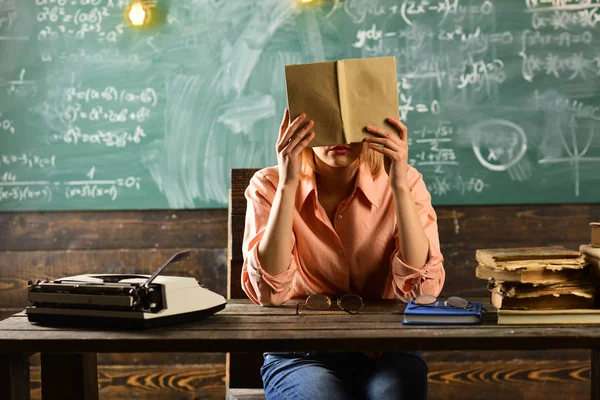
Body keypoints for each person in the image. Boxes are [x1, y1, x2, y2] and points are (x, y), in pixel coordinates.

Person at [241, 108, 445, 400]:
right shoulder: (269, 185)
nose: (340, 137)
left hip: (387, 351)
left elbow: (421, 291)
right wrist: (288, 183)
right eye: (327, 121)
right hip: (301, 354)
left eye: (351, 121)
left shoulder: (406, 181)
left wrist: (399, 184)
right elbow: (268, 291)